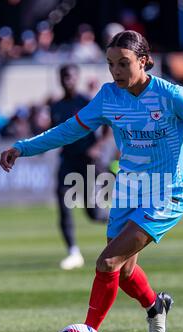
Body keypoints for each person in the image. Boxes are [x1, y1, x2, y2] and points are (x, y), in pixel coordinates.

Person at [0, 31, 183, 332]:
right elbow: (69, 130)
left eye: (123, 63)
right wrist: (23, 147)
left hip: (166, 192)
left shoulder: (170, 96)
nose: (116, 71)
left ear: (143, 61)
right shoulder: (109, 96)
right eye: (111, 64)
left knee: (107, 262)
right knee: (124, 271)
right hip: (128, 190)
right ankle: (156, 306)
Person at [50, 64, 109, 270]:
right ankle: (73, 252)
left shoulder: (86, 101)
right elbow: (54, 132)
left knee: (94, 214)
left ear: (77, 78)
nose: (68, 80)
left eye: (71, 76)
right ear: (59, 78)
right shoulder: (55, 106)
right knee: (63, 201)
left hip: (87, 161)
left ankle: (125, 223)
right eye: (64, 76)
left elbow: (107, 125)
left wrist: (97, 146)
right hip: (68, 161)